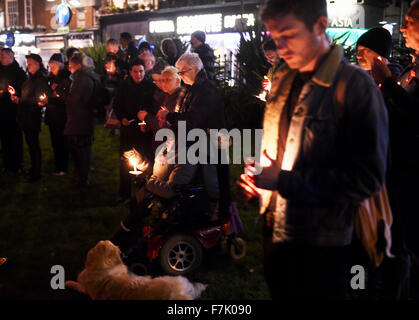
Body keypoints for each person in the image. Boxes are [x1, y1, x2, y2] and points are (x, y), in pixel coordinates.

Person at [237, 0, 389, 299]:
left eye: (289, 35)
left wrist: (283, 181)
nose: (280, 46)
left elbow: (367, 178)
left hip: (324, 247)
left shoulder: (354, 86)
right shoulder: (282, 78)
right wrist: (259, 181)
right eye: (275, 36)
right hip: (275, 233)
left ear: (319, 26)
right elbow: (279, 150)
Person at [371, 0, 419, 300]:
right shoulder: (413, 67)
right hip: (396, 173)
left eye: (410, 20)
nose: (402, 25)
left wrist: (388, 84)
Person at [158, 52, 230, 216]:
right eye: (179, 71)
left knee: (214, 182)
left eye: (183, 71)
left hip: (210, 144)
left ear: (196, 68)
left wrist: (169, 116)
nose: (180, 75)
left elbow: (193, 119)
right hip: (196, 144)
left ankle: (220, 218)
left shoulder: (205, 91)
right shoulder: (191, 88)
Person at [113, 58, 155, 202]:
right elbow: (117, 105)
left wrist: (147, 120)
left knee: (145, 159)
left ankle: (144, 191)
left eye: (141, 71)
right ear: (131, 72)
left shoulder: (150, 86)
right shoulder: (123, 87)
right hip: (129, 129)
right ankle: (124, 192)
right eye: (135, 72)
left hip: (144, 130)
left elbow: (153, 106)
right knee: (126, 160)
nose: (138, 75)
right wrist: (122, 118)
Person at [11, 54, 50, 182]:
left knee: (33, 145)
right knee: (31, 144)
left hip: (32, 117)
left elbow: (37, 99)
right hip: (26, 116)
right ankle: (34, 168)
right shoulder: (31, 78)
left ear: (38, 64)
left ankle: (36, 172)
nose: (28, 66)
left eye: (30, 64)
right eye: (27, 64)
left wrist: (20, 100)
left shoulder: (39, 79)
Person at [64, 52, 97, 187]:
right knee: (85, 147)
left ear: (78, 65)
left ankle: (83, 177)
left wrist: (62, 94)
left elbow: (74, 100)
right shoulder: (87, 76)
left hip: (80, 118)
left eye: (71, 66)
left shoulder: (82, 79)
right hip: (85, 117)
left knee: (81, 149)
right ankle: (84, 173)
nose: (69, 69)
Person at [0, 48, 26, 174]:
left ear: (11, 56)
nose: (1, 58)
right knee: (5, 139)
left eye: (3, 56)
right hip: (2, 110)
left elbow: (23, 91)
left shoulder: (18, 72)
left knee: (15, 138)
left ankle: (17, 164)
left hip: (14, 111)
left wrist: (14, 94)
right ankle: (7, 164)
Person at [45, 53, 71, 176]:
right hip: (52, 115)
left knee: (62, 142)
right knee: (55, 142)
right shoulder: (50, 79)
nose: (52, 69)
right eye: (50, 67)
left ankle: (63, 166)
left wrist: (53, 95)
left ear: (60, 65)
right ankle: (57, 165)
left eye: (53, 67)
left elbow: (65, 98)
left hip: (61, 115)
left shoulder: (65, 78)